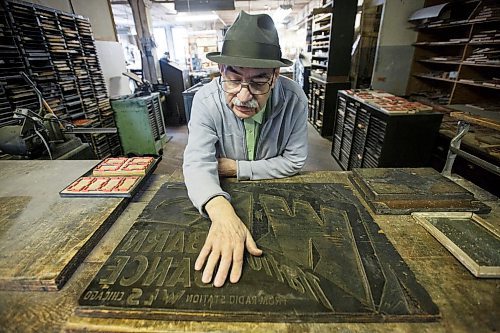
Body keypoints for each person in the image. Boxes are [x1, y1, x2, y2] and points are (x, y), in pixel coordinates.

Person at [183, 11, 308, 288]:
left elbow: (295, 160)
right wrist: (221, 212)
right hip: (225, 193)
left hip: (276, 194)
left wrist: (237, 168)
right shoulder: (205, 100)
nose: (242, 95)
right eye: (233, 78)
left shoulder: (294, 99)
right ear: (222, 70)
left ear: (276, 76)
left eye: (259, 82)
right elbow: (196, 163)